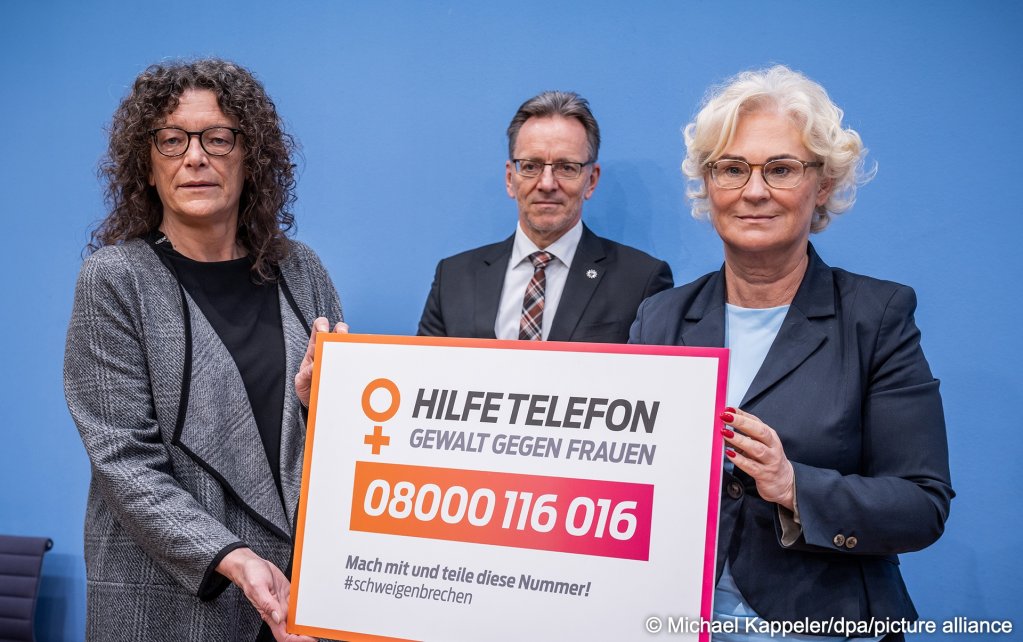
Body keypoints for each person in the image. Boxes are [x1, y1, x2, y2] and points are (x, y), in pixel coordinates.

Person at [629, 66, 953, 640]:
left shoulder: (876, 317)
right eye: (731, 169)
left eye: (781, 169)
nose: (754, 191)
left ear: (822, 185)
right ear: (709, 185)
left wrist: (793, 485)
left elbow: (921, 504)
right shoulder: (661, 317)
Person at [64, 59, 343, 642]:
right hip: (174, 597)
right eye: (171, 140)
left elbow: (344, 442)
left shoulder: (301, 269)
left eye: (218, 138)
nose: (195, 157)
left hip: (296, 597)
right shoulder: (115, 278)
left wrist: (326, 405)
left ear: (251, 158)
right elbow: (124, 460)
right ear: (146, 164)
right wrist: (234, 558)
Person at [418, 90, 673, 343]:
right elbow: (422, 375)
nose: (547, 183)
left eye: (566, 167)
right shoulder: (452, 278)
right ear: (510, 179)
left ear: (591, 181)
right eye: (531, 166)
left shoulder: (641, 281)